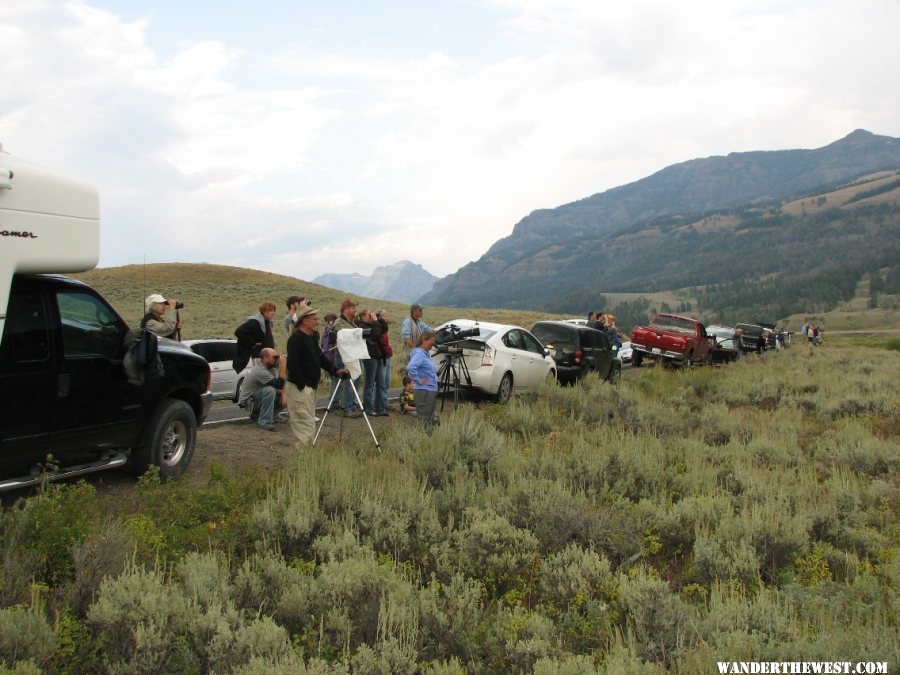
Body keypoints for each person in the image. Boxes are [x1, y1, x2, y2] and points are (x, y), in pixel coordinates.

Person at [285, 305, 348, 446]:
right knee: (305, 426)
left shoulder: (312, 337)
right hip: (300, 389)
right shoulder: (296, 339)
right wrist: (302, 386)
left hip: (310, 388)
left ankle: (306, 459)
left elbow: (320, 358)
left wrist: (335, 370)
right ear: (305, 321)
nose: (317, 321)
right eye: (314, 319)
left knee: (308, 425)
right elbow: (292, 365)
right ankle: (304, 461)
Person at [238, 348, 286, 431]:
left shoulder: (271, 368)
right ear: (265, 358)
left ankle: (266, 416)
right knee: (270, 390)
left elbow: (279, 386)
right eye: (274, 357)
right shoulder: (259, 370)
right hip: (248, 402)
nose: (277, 359)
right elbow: (280, 384)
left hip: (257, 397)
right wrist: (282, 365)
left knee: (286, 395)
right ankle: (264, 421)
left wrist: (284, 394)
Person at [333, 299, 363, 417]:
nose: (355, 310)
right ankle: (347, 408)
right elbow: (344, 339)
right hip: (344, 357)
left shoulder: (352, 323)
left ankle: (351, 405)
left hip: (353, 356)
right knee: (348, 382)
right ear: (346, 309)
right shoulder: (339, 323)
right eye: (353, 308)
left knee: (355, 380)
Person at [406, 330, 438, 432]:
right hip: (424, 390)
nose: (433, 345)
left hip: (428, 390)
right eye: (431, 342)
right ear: (424, 340)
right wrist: (419, 380)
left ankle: (427, 438)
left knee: (428, 417)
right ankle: (426, 438)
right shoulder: (419, 353)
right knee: (425, 417)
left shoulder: (424, 353)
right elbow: (411, 367)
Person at [234, 302, 277, 373]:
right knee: (261, 377)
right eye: (271, 310)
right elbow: (239, 331)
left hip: (268, 356)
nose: (273, 313)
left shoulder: (268, 322)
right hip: (259, 356)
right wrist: (252, 343)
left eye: (273, 310)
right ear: (264, 311)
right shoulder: (255, 322)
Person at [376, 310, 394, 412]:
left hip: (388, 356)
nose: (387, 318)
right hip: (382, 357)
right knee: (381, 382)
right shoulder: (379, 327)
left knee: (387, 381)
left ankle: (385, 402)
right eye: (385, 316)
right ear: (380, 317)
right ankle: (380, 404)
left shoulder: (384, 328)